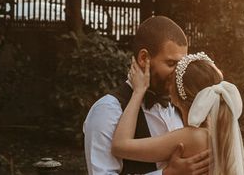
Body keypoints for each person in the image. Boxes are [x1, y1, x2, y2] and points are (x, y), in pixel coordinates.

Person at [84, 16, 210, 175]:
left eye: (182, 65)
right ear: (144, 58)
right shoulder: (107, 110)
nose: (180, 73)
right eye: (171, 64)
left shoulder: (182, 105)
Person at [111, 52, 244, 175]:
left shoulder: (193, 136)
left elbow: (120, 146)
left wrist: (138, 92)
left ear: (176, 97)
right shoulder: (220, 132)